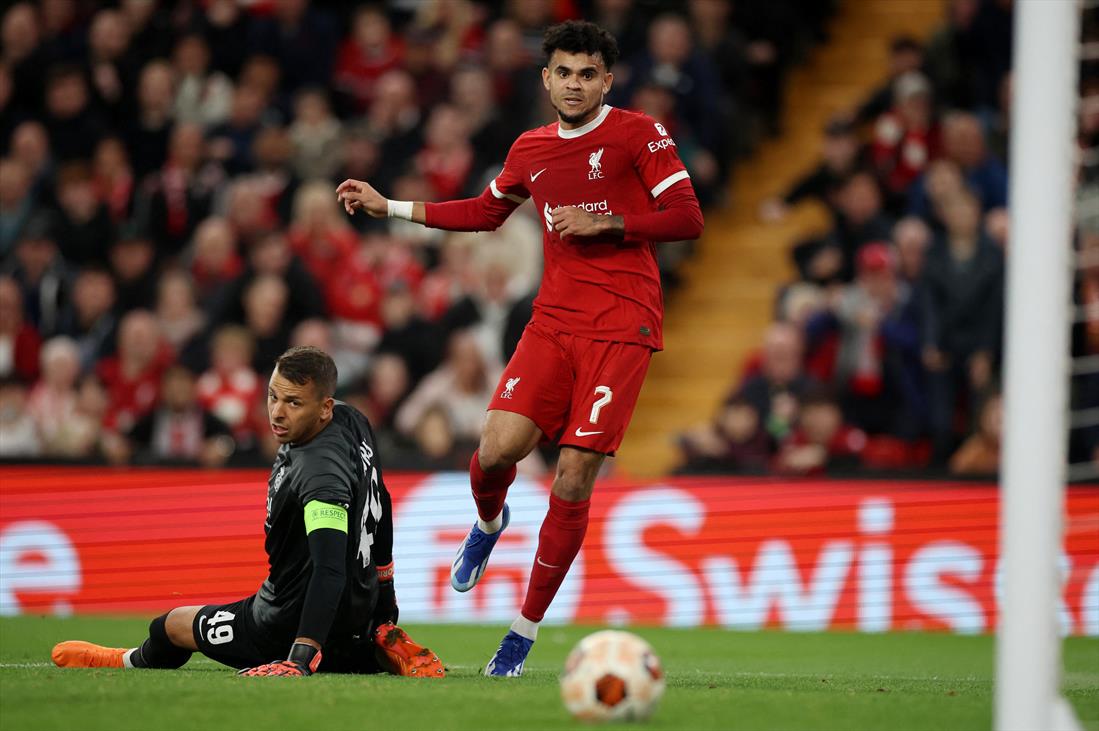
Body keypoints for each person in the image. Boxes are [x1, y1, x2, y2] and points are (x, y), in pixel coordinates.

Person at [336, 20, 704, 677]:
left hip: (621, 325)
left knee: (571, 475)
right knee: (493, 451)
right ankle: (489, 521)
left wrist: (609, 222)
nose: (573, 84)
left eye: (587, 73)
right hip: (552, 320)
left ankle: (522, 632)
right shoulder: (531, 147)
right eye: (563, 72)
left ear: (606, 81)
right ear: (545, 78)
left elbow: (686, 216)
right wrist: (386, 204)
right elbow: (482, 211)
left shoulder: (637, 133)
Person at [52, 346, 444, 679]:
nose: (277, 412)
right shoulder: (354, 420)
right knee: (351, 640)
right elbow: (384, 505)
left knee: (170, 625)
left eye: (293, 403)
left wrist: (300, 658)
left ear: (324, 408)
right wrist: (386, 606)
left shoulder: (319, 473)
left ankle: (126, 661)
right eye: (273, 396)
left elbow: (329, 569)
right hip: (357, 623)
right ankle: (378, 646)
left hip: (284, 623)